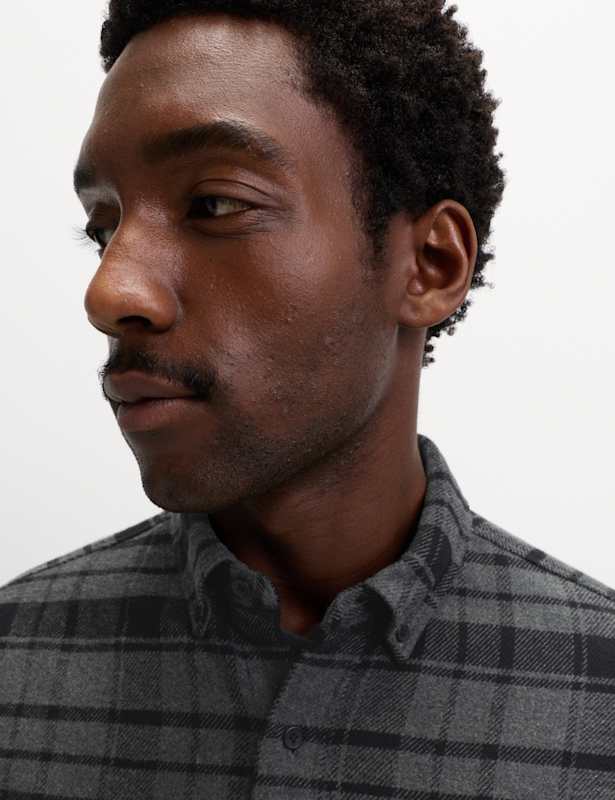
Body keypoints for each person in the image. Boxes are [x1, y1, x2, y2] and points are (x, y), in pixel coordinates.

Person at [1, 1, 613, 797]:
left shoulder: (597, 697)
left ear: (429, 264)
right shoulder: (15, 659)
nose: (110, 291)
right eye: (102, 227)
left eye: (214, 204)